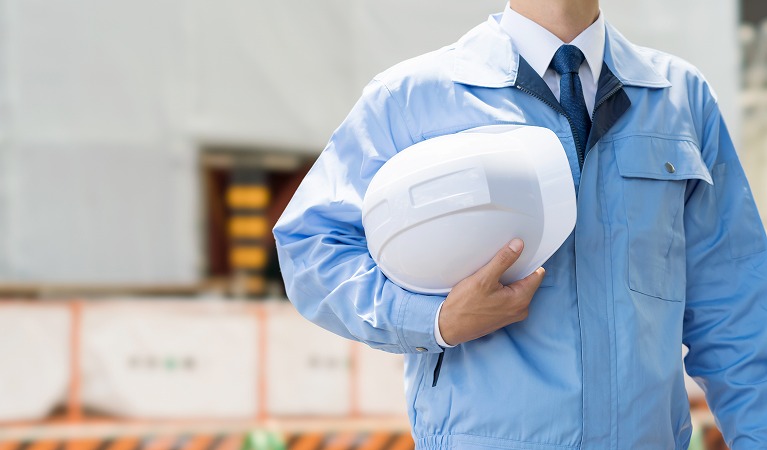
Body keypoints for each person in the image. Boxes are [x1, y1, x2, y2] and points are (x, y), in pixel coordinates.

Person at [273, 0, 767, 448]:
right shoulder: (411, 99)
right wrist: (436, 321)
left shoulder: (680, 100)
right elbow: (311, 244)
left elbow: (737, 310)